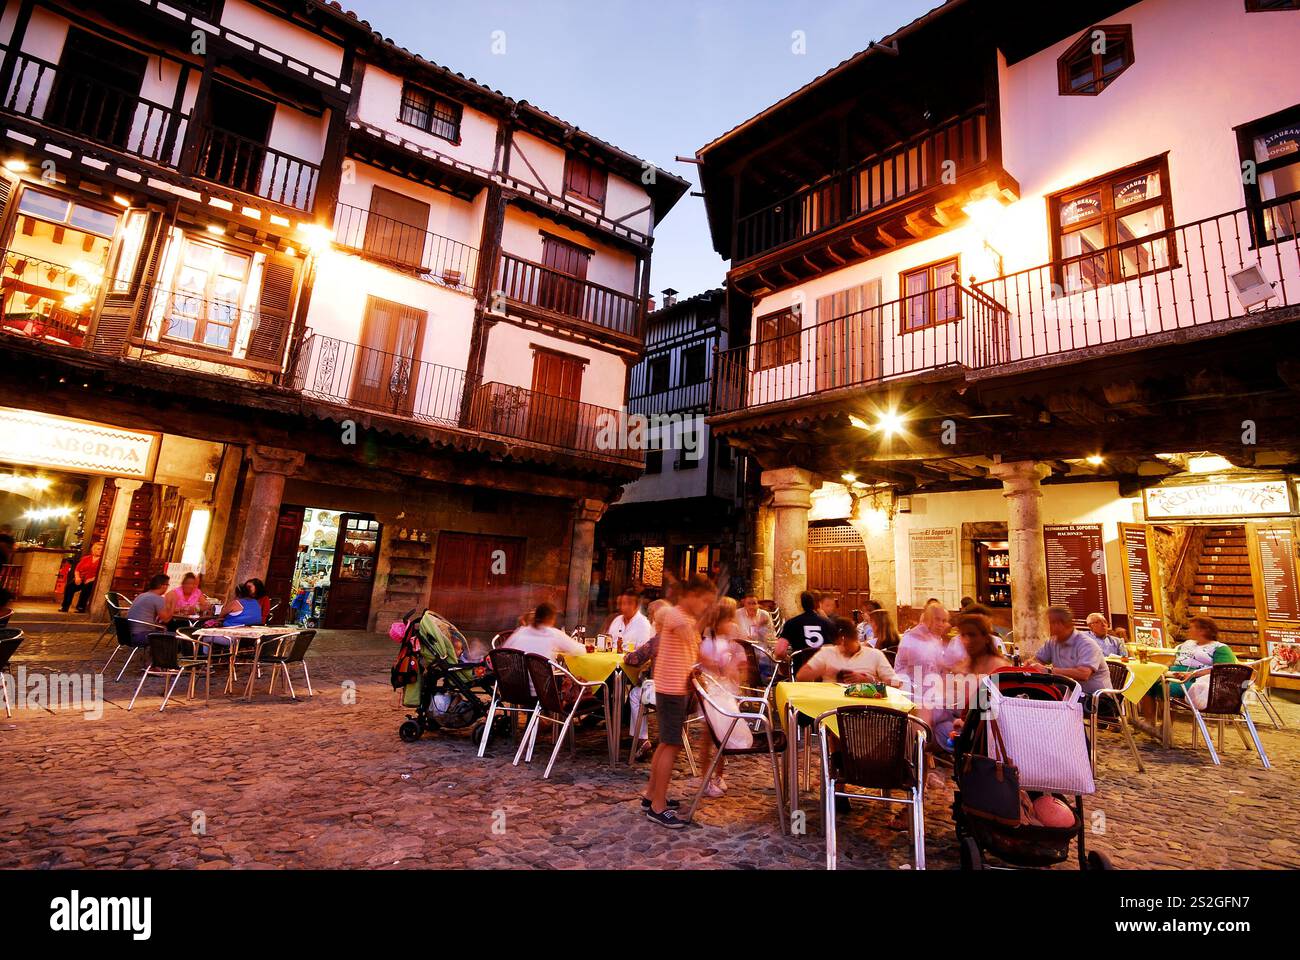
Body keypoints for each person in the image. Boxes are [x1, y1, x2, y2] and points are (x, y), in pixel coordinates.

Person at [644, 573, 713, 828]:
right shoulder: (676, 615)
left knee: (665, 744)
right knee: (671, 745)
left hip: (675, 687)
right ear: (692, 596)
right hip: (671, 689)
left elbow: (689, 652)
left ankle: (651, 796)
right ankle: (658, 807)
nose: (705, 606)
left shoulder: (685, 617)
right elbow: (693, 644)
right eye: (704, 601)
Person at [1139, 616, 1236, 726]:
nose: (1188, 630)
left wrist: (1192, 674)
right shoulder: (1187, 644)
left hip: (1198, 682)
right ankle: (1149, 721)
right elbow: (1174, 660)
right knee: (1145, 683)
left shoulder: (1220, 648)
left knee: (1166, 687)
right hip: (1173, 675)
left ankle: (1166, 727)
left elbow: (1223, 670)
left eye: (1192, 628)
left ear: (1203, 630)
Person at [697, 597, 747, 797]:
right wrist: (720, 667)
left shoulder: (728, 638)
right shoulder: (707, 639)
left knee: (722, 736)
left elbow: (738, 660)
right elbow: (703, 661)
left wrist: (736, 668)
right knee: (708, 737)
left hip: (725, 692)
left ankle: (719, 774)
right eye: (729, 620)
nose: (732, 624)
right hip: (711, 692)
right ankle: (704, 778)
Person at [1026, 605, 1108, 703]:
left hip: (1096, 698)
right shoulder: (1052, 642)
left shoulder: (1086, 644)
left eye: (1047, 623)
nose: (1044, 627)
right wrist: (1030, 664)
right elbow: (1038, 659)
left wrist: (1047, 670)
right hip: (1070, 693)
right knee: (1030, 693)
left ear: (1059, 624)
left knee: (1040, 697)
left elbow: (1083, 674)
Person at [797, 616, 898, 685]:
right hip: (830, 707)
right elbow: (800, 676)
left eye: (842, 643)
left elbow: (896, 683)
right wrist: (821, 670)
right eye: (837, 644)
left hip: (865, 709)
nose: (840, 647)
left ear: (843, 639)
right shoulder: (827, 652)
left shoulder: (875, 655)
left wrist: (870, 681)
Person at [625, 599, 668, 762]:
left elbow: (634, 659)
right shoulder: (684, 638)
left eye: (652, 616)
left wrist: (626, 655)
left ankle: (642, 739)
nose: (650, 619)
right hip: (687, 695)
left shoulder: (658, 640)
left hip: (664, 693)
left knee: (635, 694)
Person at [894, 601, 961, 700]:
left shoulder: (935, 638)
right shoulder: (914, 638)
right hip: (911, 695)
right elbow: (923, 674)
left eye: (944, 621)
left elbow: (939, 671)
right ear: (927, 619)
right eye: (937, 620)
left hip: (926, 693)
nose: (941, 624)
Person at [503, 602, 585, 660]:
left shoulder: (521, 631)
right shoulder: (553, 634)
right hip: (541, 683)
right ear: (550, 618)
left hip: (515, 682)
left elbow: (503, 651)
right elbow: (578, 651)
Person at [778, 590, 836, 659]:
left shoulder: (791, 623)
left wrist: (788, 659)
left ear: (800, 604)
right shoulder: (827, 623)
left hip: (800, 667)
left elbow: (779, 652)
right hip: (822, 667)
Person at [125, 574, 171, 643]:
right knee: (175, 637)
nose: (167, 587)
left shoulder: (142, 595)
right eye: (167, 585)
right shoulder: (158, 598)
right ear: (162, 586)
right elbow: (166, 619)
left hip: (127, 633)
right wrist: (173, 605)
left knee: (162, 628)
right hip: (141, 635)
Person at [60, 541, 103, 614]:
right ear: (93, 549)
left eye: (101, 549)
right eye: (98, 549)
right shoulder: (86, 558)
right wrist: (77, 578)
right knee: (69, 587)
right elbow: (77, 569)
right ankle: (65, 607)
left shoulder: (102, 561)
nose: (100, 551)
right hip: (81, 579)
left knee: (87, 588)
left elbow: (102, 573)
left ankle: (81, 607)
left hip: (93, 581)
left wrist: (92, 579)